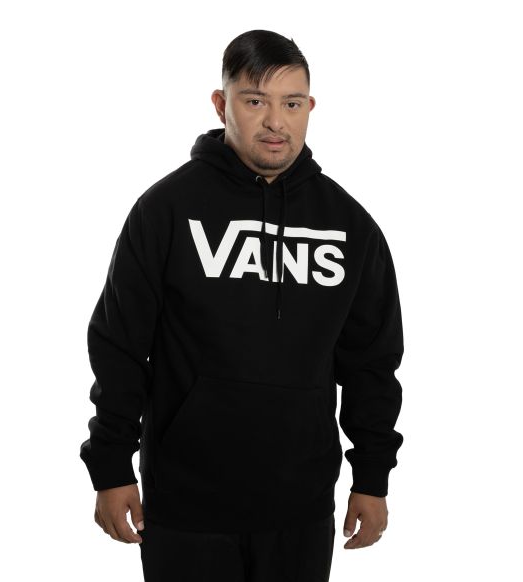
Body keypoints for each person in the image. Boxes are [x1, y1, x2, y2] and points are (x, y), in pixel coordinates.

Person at [79, 29, 405, 581]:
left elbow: (371, 362)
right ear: (221, 103)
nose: (276, 122)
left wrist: (372, 478)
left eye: (291, 104)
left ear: (310, 108)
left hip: (300, 507)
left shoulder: (350, 226)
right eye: (255, 101)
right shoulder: (166, 210)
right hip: (185, 503)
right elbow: (119, 346)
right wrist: (111, 466)